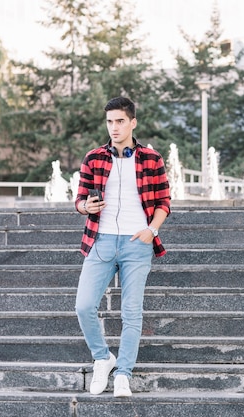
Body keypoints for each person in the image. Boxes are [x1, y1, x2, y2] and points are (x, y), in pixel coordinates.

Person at [74, 96, 171, 397]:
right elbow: (78, 201)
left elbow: (164, 202)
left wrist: (151, 230)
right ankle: (103, 358)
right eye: (109, 122)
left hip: (136, 242)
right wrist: (86, 206)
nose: (113, 127)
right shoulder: (93, 158)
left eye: (119, 121)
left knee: (131, 312)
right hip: (100, 240)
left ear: (132, 123)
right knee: (84, 306)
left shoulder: (151, 160)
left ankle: (123, 375)